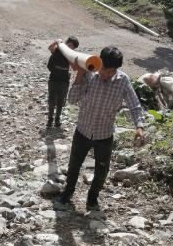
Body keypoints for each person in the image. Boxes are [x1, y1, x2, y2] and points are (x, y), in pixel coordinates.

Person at [56, 46, 145, 211]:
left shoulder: (123, 81)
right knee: (74, 165)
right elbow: (72, 100)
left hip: (104, 135)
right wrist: (79, 74)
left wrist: (139, 126)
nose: (105, 74)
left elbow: (135, 106)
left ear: (116, 70)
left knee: (102, 170)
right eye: (104, 69)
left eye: (111, 71)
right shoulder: (89, 72)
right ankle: (67, 193)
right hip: (82, 130)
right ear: (99, 63)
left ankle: (92, 199)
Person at [46, 36, 79, 129]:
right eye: (69, 45)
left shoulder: (71, 54)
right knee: (51, 101)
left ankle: (57, 120)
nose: (70, 48)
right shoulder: (58, 49)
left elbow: (74, 68)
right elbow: (50, 48)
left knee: (61, 102)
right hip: (53, 79)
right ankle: (49, 120)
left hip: (64, 81)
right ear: (66, 43)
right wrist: (56, 42)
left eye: (72, 48)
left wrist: (69, 57)